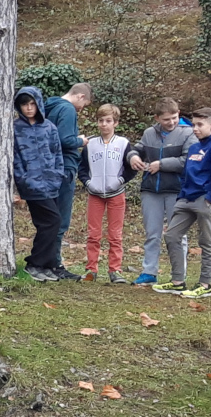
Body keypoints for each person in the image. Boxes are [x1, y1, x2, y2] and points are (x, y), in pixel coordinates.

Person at [153, 108, 211, 297]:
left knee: (206, 241)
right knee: (171, 236)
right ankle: (178, 281)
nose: (195, 128)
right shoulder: (195, 147)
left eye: (200, 125)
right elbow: (187, 173)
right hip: (186, 198)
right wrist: (182, 196)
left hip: (205, 200)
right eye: (193, 124)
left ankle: (205, 285)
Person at [128, 98, 196, 286]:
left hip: (177, 190)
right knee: (152, 233)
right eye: (166, 119)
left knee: (178, 234)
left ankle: (178, 275)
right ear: (157, 118)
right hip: (151, 190)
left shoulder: (188, 133)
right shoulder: (149, 133)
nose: (171, 122)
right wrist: (132, 157)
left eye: (174, 117)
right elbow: (138, 149)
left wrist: (162, 164)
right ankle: (149, 271)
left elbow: (188, 161)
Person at [77, 104, 140, 283]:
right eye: (101, 121)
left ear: (116, 123)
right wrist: (88, 183)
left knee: (115, 234)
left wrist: (119, 181)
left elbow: (131, 169)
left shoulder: (123, 144)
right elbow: (82, 169)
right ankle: (91, 269)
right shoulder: (90, 144)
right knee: (93, 234)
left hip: (116, 194)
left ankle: (115, 270)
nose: (104, 124)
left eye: (108, 121)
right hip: (95, 194)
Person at [12, 88, 68, 282]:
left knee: (47, 224)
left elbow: (57, 152)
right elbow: (15, 157)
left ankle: (45, 265)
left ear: (38, 104)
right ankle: (34, 263)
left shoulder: (49, 127)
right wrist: (23, 179)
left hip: (51, 183)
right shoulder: (15, 128)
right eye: (24, 104)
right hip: (31, 185)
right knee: (53, 221)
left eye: (32, 104)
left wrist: (57, 175)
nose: (28, 108)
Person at [40, 82, 92, 280]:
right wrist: (81, 141)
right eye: (84, 104)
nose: (82, 108)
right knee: (60, 220)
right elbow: (64, 139)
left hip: (48, 168)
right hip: (63, 168)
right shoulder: (67, 109)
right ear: (79, 96)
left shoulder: (48, 107)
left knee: (49, 219)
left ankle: (47, 262)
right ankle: (54, 264)